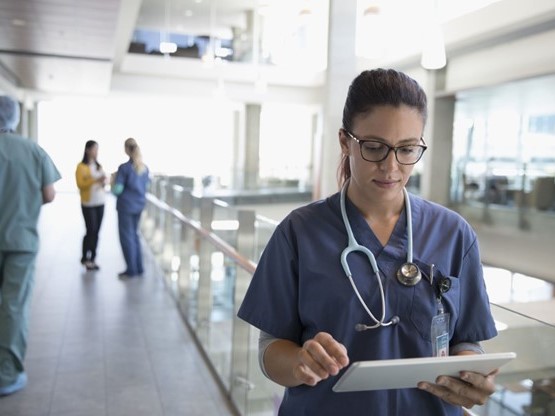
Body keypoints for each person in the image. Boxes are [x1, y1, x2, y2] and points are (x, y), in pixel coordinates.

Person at [237, 68, 499, 415]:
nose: (391, 167)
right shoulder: (298, 233)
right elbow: (270, 350)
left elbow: (467, 340)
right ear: (346, 141)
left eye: (407, 149)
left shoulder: (453, 233)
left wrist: (469, 374)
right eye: (375, 147)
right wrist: (300, 359)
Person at [0, 95, 61, 396]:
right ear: (14, 118)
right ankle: (7, 375)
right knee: (12, 306)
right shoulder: (32, 150)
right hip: (20, 241)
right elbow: (49, 194)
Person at [112, 137, 150, 279]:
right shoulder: (144, 168)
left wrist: (113, 181)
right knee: (134, 235)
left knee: (127, 237)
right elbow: (146, 187)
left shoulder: (124, 168)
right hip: (139, 205)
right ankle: (139, 267)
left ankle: (131, 269)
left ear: (126, 149)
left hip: (126, 207)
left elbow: (117, 190)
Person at [75, 140, 106, 271]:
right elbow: (81, 184)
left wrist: (103, 182)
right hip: (88, 203)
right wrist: (95, 180)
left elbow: (103, 182)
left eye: (97, 149)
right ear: (87, 150)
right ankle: (85, 257)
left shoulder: (99, 166)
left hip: (100, 202)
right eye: (94, 149)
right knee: (90, 230)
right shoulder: (81, 167)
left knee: (97, 231)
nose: (96, 152)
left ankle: (92, 258)